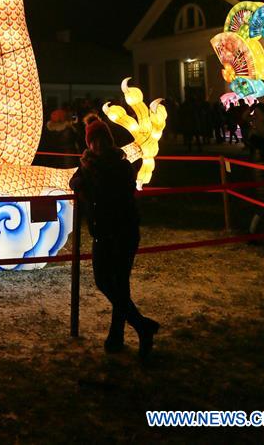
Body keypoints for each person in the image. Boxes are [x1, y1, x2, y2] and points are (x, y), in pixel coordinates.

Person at [70, 119, 160, 358]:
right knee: (104, 281)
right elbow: (74, 180)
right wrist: (80, 181)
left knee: (119, 283)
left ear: (108, 141)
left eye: (102, 139)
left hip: (122, 231)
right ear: (89, 143)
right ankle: (141, 326)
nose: (98, 144)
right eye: (94, 140)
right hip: (102, 232)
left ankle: (117, 336)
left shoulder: (120, 165)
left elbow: (108, 193)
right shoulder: (87, 164)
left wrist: (87, 182)